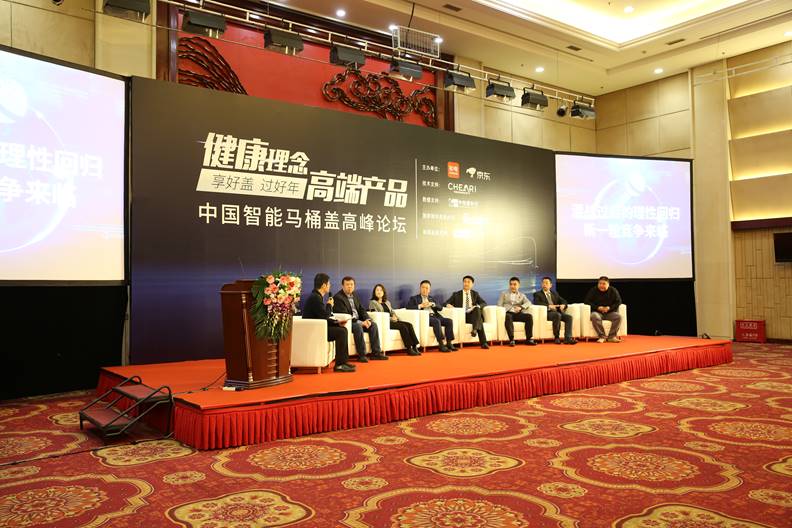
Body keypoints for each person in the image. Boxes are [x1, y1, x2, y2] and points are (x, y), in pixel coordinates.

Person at [302, 273, 355, 372]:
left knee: (342, 330)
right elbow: (324, 316)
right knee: (341, 332)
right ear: (324, 285)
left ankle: (343, 362)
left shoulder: (317, 296)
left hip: (319, 327)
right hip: (315, 330)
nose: (330, 286)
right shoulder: (315, 298)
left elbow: (323, 316)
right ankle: (339, 365)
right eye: (329, 284)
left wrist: (337, 323)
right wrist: (329, 305)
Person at [333, 276, 388, 361]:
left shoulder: (354, 295)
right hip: (349, 323)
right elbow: (346, 315)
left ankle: (376, 353)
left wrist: (367, 319)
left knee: (373, 325)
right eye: (347, 284)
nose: (350, 286)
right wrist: (360, 322)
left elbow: (361, 309)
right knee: (358, 327)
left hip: (358, 320)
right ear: (342, 286)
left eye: (351, 284)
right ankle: (362, 355)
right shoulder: (338, 297)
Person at [369, 284, 421, 356]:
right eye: (377, 290)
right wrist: (391, 318)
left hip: (392, 320)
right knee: (403, 327)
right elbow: (378, 314)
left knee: (409, 325)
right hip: (385, 322)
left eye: (381, 290)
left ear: (383, 292)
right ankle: (409, 348)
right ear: (374, 292)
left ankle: (415, 346)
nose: (379, 292)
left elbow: (392, 311)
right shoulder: (373, 302)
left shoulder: (387, 302)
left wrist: (394, 316)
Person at [406, 280, 457, 352]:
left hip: (435, 316)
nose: (424, 289)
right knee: (436, 321)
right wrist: (420, 305)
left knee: (449, 321)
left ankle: (449, 343)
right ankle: (441, 344)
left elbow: (440, 308)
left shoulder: (431, 298)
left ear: (429, 290)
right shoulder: (414, 298)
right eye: (423, 287)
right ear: (420, 288)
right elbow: (408, 307)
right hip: (425, 317)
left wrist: (433, 304)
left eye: (427, 288)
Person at [445, 275, 490, 349]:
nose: (466, 283)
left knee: (477, 309)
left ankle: (475, 329)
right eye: (465, 282)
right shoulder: (456, 294)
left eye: (468, 282)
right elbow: (445, 303)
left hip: (472, 316)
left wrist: (477, 306)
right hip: (461, 316)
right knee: (479, 320)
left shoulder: (475, 294)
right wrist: (448, 305)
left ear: (472, 284)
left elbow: (484, 303)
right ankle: (483, 342)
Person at [533, 276, 578, 345]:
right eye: (543, 283)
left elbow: (563, 300)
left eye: (546, 283)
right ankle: (557, 337)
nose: (544, 284)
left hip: (556, 312)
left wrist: (563, 305)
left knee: (569, 317)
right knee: (557, 315)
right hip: (547, 313)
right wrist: (549, 306)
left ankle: (568, 338)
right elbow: (537, 303)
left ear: (550, 285)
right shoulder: (537, 294)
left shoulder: (554, 293)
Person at [497, 277, 537, 346]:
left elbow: (529, 302)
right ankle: (511, 340)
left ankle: (529, 339)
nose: (512, 286)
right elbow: (499, 304)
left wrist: (521, 307)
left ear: (519, 285)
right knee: (508, 317)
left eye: (514, 284)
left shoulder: (522, 295)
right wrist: (505, 310)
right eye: (511, 284)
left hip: (518, 314)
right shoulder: (504, 294)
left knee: (529, 316)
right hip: (508, 313)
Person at [584, 276, 623, 343]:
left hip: (609, 312)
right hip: (597, 312)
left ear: (608, 284)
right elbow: (586, 301)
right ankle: (602, 336)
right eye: (600, 283)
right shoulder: (593, 290)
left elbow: (618, 302)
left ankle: (611, 337)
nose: (601, 285)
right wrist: (598, 307)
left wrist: (609, 308)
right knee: (594, 316)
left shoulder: (613, 290)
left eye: (604, 284)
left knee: (618, 317)